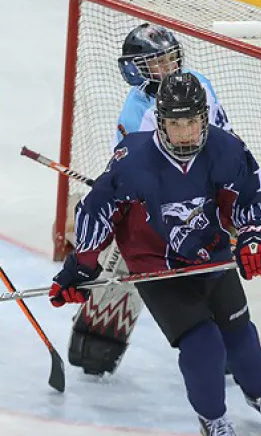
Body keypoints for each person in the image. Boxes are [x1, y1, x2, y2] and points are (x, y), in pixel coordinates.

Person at [50, 73, 261, 435]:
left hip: (210, 252)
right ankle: (213, 419)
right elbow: (98, 211)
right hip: (155, 267)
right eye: (175, 123)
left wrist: (253, 237)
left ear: (204, 118)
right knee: (203, 344)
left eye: (192, 122)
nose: (185, 132)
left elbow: (249, 197)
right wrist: (79, 269)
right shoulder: (133, 158)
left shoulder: (227, 149)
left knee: (239, 332)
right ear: (160, 122)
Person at [68, 23, 235, 377]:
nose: (169, 69)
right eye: (157, 63)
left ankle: (230, 352)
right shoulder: (136, 113)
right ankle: (94, 348)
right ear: (135, 70)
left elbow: (222, 137)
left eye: (171, 59)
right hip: (149, 212)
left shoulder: (198, 84)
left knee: (212, 271)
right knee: (124, 270)